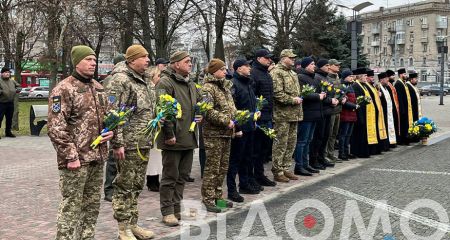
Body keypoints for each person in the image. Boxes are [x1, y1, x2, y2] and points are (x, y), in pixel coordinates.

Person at [48, 45, 114, 240]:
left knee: (92, 206)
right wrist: (70, 156)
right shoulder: (64, 89)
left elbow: (106, 117)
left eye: (95, 60)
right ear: (77, 62)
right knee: (72, 207)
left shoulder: (99, 87)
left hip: (97, 157)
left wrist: (110, 131)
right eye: (88, 59)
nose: (93, 63)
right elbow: (56, 127)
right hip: (76, 161)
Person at [105, 44, 156, 240]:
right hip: (127, 143)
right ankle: (122, 228)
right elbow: (113, 113)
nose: (148, 61)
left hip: (143, 141)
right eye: (144, 57)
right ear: (132, 59)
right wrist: (117, 143)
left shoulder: (145, 80)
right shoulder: (120, 80)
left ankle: (133, 224)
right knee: (124, 185)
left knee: (137, 185)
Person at [156, 50, 201, 226]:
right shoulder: (165, 82)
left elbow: (196, 104)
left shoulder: (190, 83)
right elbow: (163, 110)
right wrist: (169, 134)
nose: (190, 64)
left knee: (182, 176)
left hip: (188, 137)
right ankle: (167, 211)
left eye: (190, 61)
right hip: (173, 138)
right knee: (170, 176)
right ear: (176, 64)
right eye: (187, 61)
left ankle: (176, 207)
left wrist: (199, 114)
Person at [201, 58, 236, 212]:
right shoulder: (208, 88)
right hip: (213, 134)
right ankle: (208, 199)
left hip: (226, 133)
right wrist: (225, 120)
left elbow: (231, 107)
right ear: (214, 71)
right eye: (222, 69)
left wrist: (238, 117)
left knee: (223, 167)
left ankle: (218, 197)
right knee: (212, 168)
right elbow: (206, 110)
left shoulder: (225, 87)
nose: (225, 72)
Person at [227, 58, 258, 203]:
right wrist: (237, 127)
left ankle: (245, 184)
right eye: (247, 66)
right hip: (240, 129)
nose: (249, 68)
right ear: (239, 68)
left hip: (250, 126)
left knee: (248, 157)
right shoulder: (234, 84)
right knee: (235, 160)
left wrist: (256, 113)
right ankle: (232, 190)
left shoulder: (248, 83)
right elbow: (234, 109)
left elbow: (250, 104)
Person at [270, 49, 302, 182]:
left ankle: (286, 168)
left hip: (294, 114)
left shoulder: (293, 73)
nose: (293, 59)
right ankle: (278, 170)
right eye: (291, 57)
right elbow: (277, 94)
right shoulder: (276, 72)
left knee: (291, 143)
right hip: (282, 115)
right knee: (280, 143)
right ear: (283, 58)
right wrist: (292, 100)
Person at [250, 49, 276, 187]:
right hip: (258, 117)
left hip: (267, 116)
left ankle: (260, 175)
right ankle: (254, 176)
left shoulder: (266, 73)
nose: (269, 60)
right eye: (267, 58)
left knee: (264, 149)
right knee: (256, 149)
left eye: (270, 58)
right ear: (259, 58)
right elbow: (252, 95)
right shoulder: (254, 73)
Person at [295, 57, 324, 176]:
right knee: (302, 141)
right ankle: (299, 165)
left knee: (308, 141)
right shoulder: (301, 77)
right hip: (306, 114)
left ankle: (306, 164)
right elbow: (303, 94)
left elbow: (319, 92)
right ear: (306, 65)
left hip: (315, 114)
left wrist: (322, 94)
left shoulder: (315, 78)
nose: (314, 66)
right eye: (312, 64)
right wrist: (318, 96)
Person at [103, 54, 125, 202]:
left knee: (121, 158)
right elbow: (110, 103)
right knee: (113, 157)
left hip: (124, 119)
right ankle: (109, 189)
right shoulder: (111, 80)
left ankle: (119, 187)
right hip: (115, 120)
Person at [312, 59, 337, 169]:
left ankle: (322, 158)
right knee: (318, 137)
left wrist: (335, 100)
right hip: (321, 111)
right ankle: (315, 160)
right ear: (321, 66)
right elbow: (320, 95)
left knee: (325, 136)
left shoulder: (326, 77)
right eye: (326, 65)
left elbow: (330, 93)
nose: (328, 67)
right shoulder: (317, 77)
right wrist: (330, 101)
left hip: (328, 111)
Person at [350, 68, 376, 158]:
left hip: (366, 113)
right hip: (360, 114)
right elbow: (357, 101)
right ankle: (359, 152)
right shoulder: (356, 86)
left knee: (363, 134)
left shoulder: (363, 85)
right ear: (360, 76)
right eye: (365, 76)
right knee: (359, 134)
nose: (366, 77)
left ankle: (364, 151)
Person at [144, 66, 162, 192]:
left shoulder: (158, 90)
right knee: (151, 156)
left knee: (156, 156)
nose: (160, 79)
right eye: (158, 76)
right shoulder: (148, 91)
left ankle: (155, 179)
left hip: (157, 127)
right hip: (149, 127)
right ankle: (151, 181)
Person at [365, 69, 388, 154]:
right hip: (371, 112)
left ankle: (378, 148)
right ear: (367, 78)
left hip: (377, 111)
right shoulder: (367, 86)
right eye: (371, 77)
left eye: (373, 77)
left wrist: (379, 95)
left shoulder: (373, 86)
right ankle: (374, 149)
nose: (373, 79)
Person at [326, 59, 344, 163]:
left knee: (334, 134)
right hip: (331, 110)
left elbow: (340, 91)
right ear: (330, 66)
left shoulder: (337, 77)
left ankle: (331, 154)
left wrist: (343, 97)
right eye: (336, 65)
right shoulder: (327, 78)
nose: (338, 67)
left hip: (338, 109)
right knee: (328, 133)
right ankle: (326, 154)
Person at [338, 69, 358, 160]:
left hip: (352, 114)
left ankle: (347, 152)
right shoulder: (342, 86)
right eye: (350, 76)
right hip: (345, 114)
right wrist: (354, 105)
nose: (351, 78)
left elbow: (352, 99)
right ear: (345, 77)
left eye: (352, 76)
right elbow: (343, 101)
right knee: (343, 135)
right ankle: (341, 153)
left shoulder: (351, 86)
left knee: (348, 135)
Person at [394, 68, 413, 145]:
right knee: (403, 125)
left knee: (406, 125)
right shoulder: (398, 84)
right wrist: (402, 109)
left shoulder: (404, 83)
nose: (406, 75)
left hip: (406, 108)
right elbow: (400, 98)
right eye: (404, 74)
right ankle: (403, 140)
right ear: (401, 75)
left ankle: (406, 139)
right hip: (403, 109)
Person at [378, 72, 397, 147]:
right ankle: (385, 144)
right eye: (386, 79)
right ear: (381, 80)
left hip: (389, 112)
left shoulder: (386, 88)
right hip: (384, 112)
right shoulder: (379, 88)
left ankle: (390, 142)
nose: (387, 80)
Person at [0, 67, 20, 138]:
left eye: (8, 72)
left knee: (9, 118)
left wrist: (18, 89)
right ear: (2, 74)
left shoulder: (12, 81)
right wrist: (1, 92)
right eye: (5, 72)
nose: (7, 73)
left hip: (10, 103)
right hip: (1, 103)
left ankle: (8, 132)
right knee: (0, 118)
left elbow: (18, 86)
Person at [385, 69, 400, 144]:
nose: (394, 77)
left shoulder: (391, 85)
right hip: (391, 109)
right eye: (392, 76)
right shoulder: (388, 86)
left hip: (394, 109)